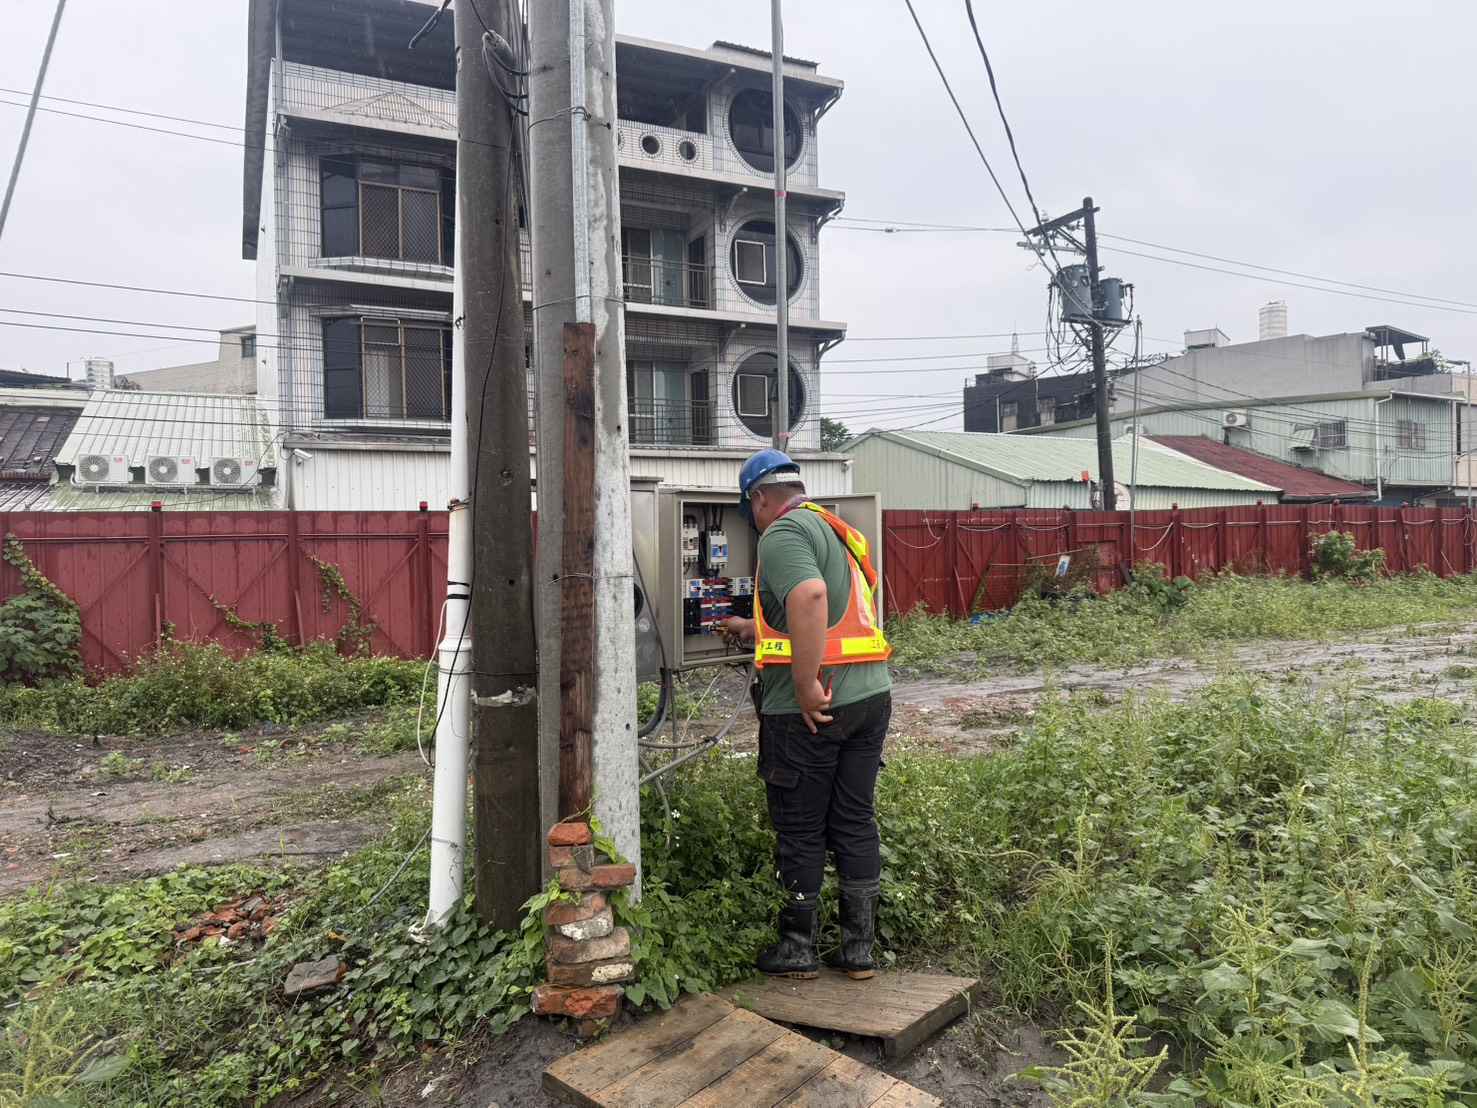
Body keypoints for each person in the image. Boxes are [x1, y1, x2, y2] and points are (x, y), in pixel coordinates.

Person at [720, 449, 892, 981]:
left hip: (814, 708)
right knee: (854, 819)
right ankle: (858, 950)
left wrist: (803, 683)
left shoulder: (781, 534)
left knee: (800, 826)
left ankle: (798, 948)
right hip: (869, 697)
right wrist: (753, 630)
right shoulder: (835, 530)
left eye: (750, 508)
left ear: (758, 498)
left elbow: (812, 596)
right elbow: (830, 611)